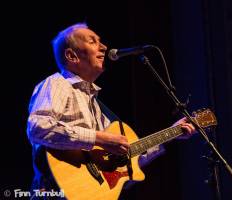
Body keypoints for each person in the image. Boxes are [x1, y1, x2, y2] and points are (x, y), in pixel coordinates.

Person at [26, 22, 196, 199]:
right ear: (72, 55)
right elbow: (39, 128)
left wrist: (173, 133)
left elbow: (124, 159)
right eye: (93, 41)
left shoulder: (95, 106)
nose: (104, 47)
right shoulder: (58, 83)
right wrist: (99, 138)